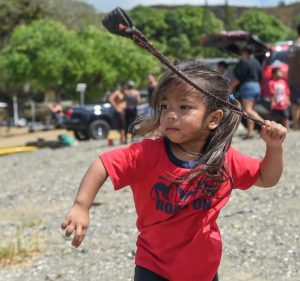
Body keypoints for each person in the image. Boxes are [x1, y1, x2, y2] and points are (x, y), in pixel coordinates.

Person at [61, 60, 286, 281]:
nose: (170, 114)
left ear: (214, 119)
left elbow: (266, 177)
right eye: (165, 105)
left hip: (204, 270)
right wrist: (81, 205)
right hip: (153, 265)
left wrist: (274, 148)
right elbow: (104, 164)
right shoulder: (147, 154)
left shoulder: (224, 158)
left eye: (184, 106)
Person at [229, 44, 264, 139]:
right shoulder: (257, 62)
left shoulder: (245, 62)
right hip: (257, 86)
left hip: (248, 86)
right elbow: (261, 76)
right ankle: (250, 133)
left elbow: (239, 78)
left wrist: (230, 88)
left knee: (248, 110)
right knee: (250, 111)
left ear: (245, 53)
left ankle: (265, 125)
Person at [286, 22, 300, 130]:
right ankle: (296, 125)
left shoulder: (292, 45)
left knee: (296, 101)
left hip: (291, 78)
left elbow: (287, 61)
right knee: (298, 101)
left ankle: (295, 124)